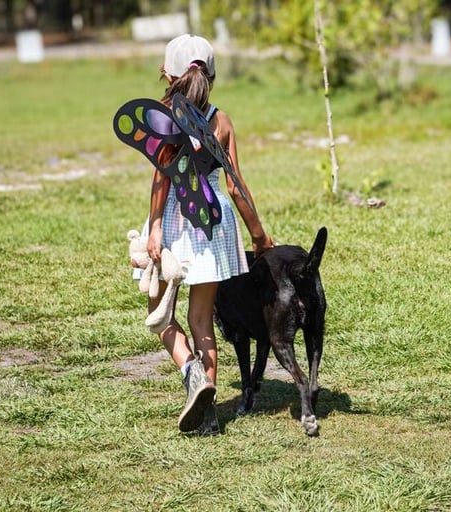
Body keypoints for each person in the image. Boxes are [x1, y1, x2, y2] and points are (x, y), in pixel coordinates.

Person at [143, 34, 274, 435]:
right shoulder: (222, 120)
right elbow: (235, 185)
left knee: (158, 315)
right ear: (210, 75)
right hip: (215, 225)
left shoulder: (162, 116)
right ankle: (209, 414)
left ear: (167, 74)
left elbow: (162, 181)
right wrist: (259, 235)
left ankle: (191, 374)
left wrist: (154, 229)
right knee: (202, 320)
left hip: (178, 223)